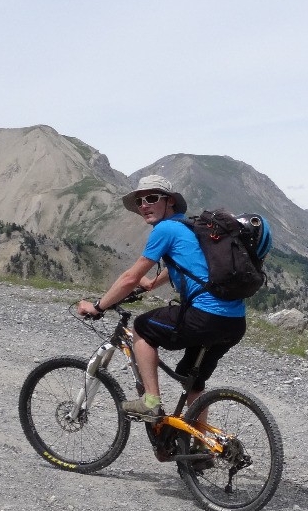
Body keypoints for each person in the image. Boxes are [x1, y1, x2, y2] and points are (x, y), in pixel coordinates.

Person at [77, 175, 246, 419]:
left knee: (142, 328)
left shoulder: (165, 229)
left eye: (152, 198)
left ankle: (151, 401)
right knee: (192, 378)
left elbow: (129, 278)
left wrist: (98, 306)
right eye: (140, 201)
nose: (144, 205)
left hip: (205, 316)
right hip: (233, 320)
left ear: (170, 203)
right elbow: (188, 264)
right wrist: (154, 284)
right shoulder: (190, 227)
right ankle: (199, 452)